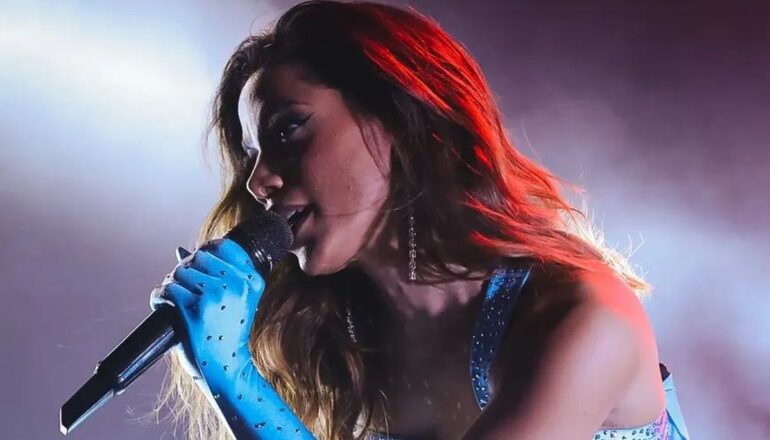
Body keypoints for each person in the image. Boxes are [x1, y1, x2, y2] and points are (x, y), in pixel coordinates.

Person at [150, 1, 690, 439]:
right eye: (252, 157)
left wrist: (235, 379)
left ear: (397, 118)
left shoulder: (582, 319)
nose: (258, 181)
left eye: (287, 131)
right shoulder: (348, 342)